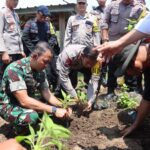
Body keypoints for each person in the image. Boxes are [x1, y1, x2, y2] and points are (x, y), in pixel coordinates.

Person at [0, 42, 71, 126]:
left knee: (51, 109)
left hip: (27, 102)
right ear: (35, 56)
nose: (46, 65)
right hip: (10, 106)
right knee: (32, 116)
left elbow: (47, 94)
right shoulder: (15, 69)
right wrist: (54, 110)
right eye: (45, 62)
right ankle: (18, 131)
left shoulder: (40, 70)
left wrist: (63, 106)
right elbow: (24, 101)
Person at [100, 0, 144, 101]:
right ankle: (110, 91)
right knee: (111, 68)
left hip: (130, 44)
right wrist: (105, 40)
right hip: (112, 43)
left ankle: (131, 91)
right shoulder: (112, 5)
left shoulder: (140, 8)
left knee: (130, 66)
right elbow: (104, 23)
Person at [22, 5, 58, 91]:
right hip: (34, 52)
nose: (44, 18)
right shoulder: (29, 23)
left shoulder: (49, 24)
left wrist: (48, 48)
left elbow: (53, 36)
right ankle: (35, 90)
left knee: (53, 71)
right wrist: (34, 51)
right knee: (37, 72)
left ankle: (54, 90)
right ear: (37, 13)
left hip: (46, 52)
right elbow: (25, 37)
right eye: (43, 16)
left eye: (46, 16)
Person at [56, 44, 100, 109]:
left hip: (81, 64)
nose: (89, 65)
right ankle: (59, 104)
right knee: (64, 85)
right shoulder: (69, 54)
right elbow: (64, 77)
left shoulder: (97, 62)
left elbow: (94, 81)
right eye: (88, 62)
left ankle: (91, 103)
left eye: (92, 64)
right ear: (82, 55)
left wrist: (90, 100)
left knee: (97, 81)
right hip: (68, 65)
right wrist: (75, 96)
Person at [0, 0, 25, 86]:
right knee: (4, 77)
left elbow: (18, 33)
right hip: (8, 53)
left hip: (17, 52)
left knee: (14, 76)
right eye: (14, 0)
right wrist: (3, 52)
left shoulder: (16, 15)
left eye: (17, 0)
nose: (16, 2)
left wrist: (21, 50)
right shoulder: (2, 12)